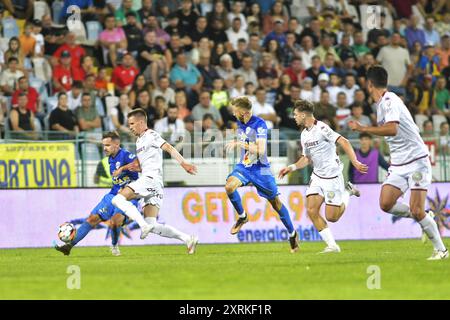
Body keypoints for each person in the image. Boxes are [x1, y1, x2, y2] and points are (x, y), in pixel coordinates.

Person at [348, 66, 448, 260]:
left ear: (370, 84)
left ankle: (441, 250)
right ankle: (425, 216)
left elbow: (392, 129)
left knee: (416, 209)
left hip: (417, 161)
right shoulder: (382, 105)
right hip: (399, 164)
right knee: (385, 203)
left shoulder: (390, 100)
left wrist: (363, 128)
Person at [279, 99, 366, 253]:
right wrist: (291, 167)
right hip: (318, 177)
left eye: (296, 115)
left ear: (304, 115)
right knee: (312, 210)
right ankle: (332, 246)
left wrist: (355, 162)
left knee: (332, 217)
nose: (294, 117)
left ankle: (348, 192)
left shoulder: (322, 128)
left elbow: (344, 142)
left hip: (333, 178)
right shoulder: (304, 135)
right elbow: (306, 158)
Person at [111, 108, 199, 254]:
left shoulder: (151, 134)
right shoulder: (139, 141)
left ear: (141, 122)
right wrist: (131, 168)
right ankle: (188, 239)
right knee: (152, 223)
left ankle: (142, 225)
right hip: (154, 182)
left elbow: (169, 147)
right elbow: (145, 164)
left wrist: (184, 163)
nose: (130, 127)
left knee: (117, 199)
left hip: (150, 180)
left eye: (132, 124)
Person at [224, 96, 299, 253]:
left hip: (261, 170)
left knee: (276, 203)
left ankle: (292, 233)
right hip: (245, 166)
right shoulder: (240, 123)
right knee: (229, 187)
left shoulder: (260, 125)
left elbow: (261, 150)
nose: (233, 114)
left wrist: (239, 143)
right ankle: (243, 216)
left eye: (235, 111)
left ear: (244, 112)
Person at [55, 131, 140, 256]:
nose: (104, 148)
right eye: (103, 145)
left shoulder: (126, 155)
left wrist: (122, 169)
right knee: (92, 219)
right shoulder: (110, 159)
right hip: (113, 195)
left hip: (128, 196)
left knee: (115, 221)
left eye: (108, 145)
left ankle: (114, 245)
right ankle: (68, 246)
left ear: (117, 145)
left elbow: (140, 166)